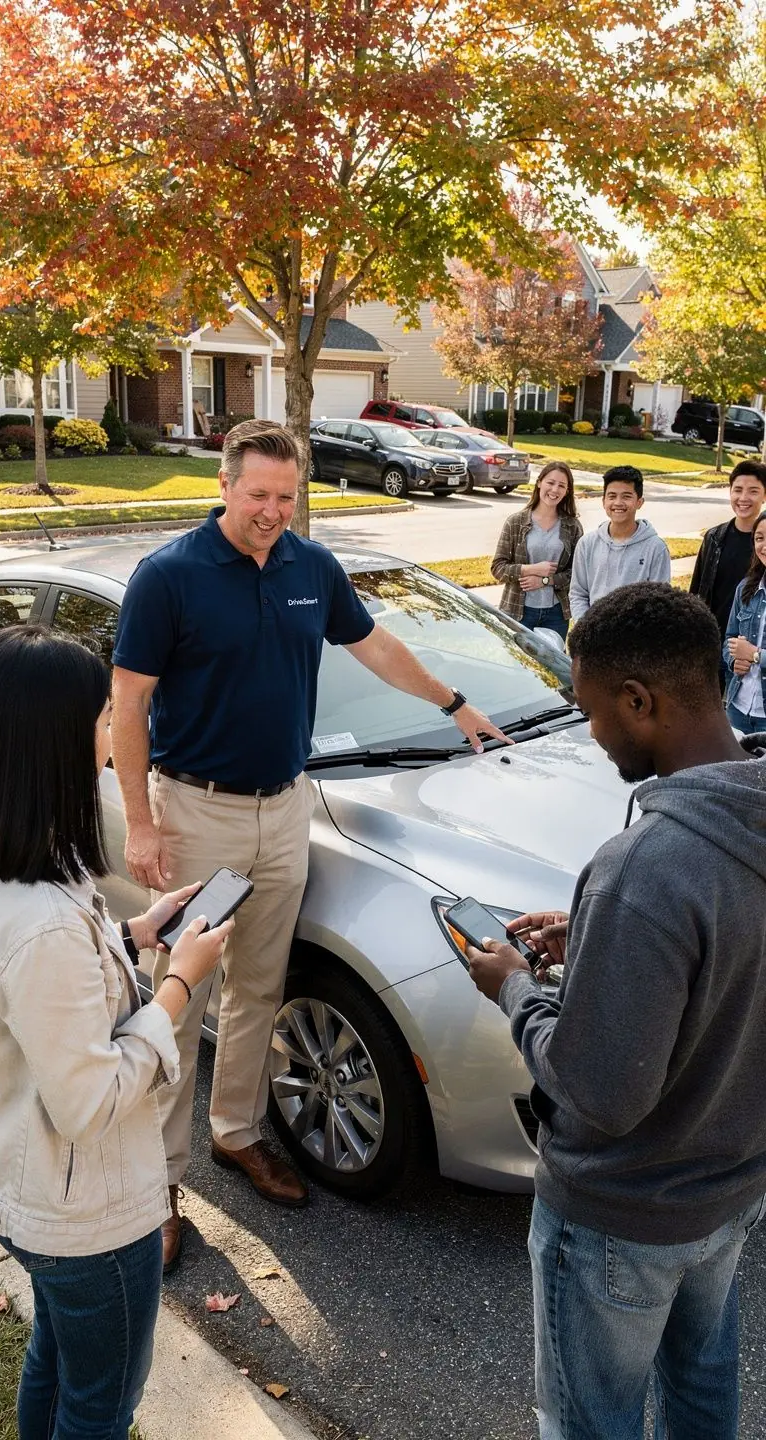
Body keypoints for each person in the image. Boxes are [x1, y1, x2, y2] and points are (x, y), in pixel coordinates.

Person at [111, 418, 503, 1270]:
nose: (273, 512)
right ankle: (157, 1187)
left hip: (285, 810)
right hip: (196, 811)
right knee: (177, 1000)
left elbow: (377, 647)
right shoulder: (168, 578)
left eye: (288, 497)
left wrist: (453, 702)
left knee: (259, 987)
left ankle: (238, 1134)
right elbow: (130, 706)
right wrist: (141, 821)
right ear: (224, 485)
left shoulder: (310, 567)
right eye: (258, 495)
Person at [466, 583, 766, 1440]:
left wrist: (514, 990)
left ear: (641, 701)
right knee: (703, 1388)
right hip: (733, 1189)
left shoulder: (645, 868)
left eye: (594, 713)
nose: (592, 735)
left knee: (590, 1422)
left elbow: (603, 1092)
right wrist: (597, 933)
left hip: (621, 1217)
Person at [0, 626, 230, 1440]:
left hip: (24, 1187)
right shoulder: (38, 923)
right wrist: (179, 983)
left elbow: (39, 994)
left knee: (60, 1354)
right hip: (84, 1215)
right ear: (52, 744)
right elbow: (91, 1098)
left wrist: (136, 932)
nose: (116, 736)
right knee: (101, 1402)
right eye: (105, 720)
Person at [490, 461, 582, 640]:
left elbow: (578, 575)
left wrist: (546, 580)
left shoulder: (572, 526)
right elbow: (498, 568)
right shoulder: (515, 522)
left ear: (567, 491)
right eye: (550, 482)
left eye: (561, 485)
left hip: (556, 615)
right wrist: (531, 569)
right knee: (515, 666)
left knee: (550, 667)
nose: (555, 490)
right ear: (539, 482)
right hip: (517, 611)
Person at [569, 465, 670, 620]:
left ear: (639, 502)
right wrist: (586, 628)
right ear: (603, 501)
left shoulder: (656, 548)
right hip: (592, 636)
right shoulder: (587, 544)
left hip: (635, 639)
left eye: (626, 496)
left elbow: (660, 602)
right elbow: (578, 594)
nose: (618, 502)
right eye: (612, 496)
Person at [690, 459, 766, 638]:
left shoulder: (763, 546)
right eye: (737, 490)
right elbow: (696, 592)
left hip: (751, 645)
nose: (743, 498)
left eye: (753, 491)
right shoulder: (714, 538)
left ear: (764, 496)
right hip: (711, 639)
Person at [723, 509, 766, 734]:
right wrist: (733, 660)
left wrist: (754, 655)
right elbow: (730, 638)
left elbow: (749, 651)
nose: (764, 545)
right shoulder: (746, 588)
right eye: (759, 538)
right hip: (737, 709)